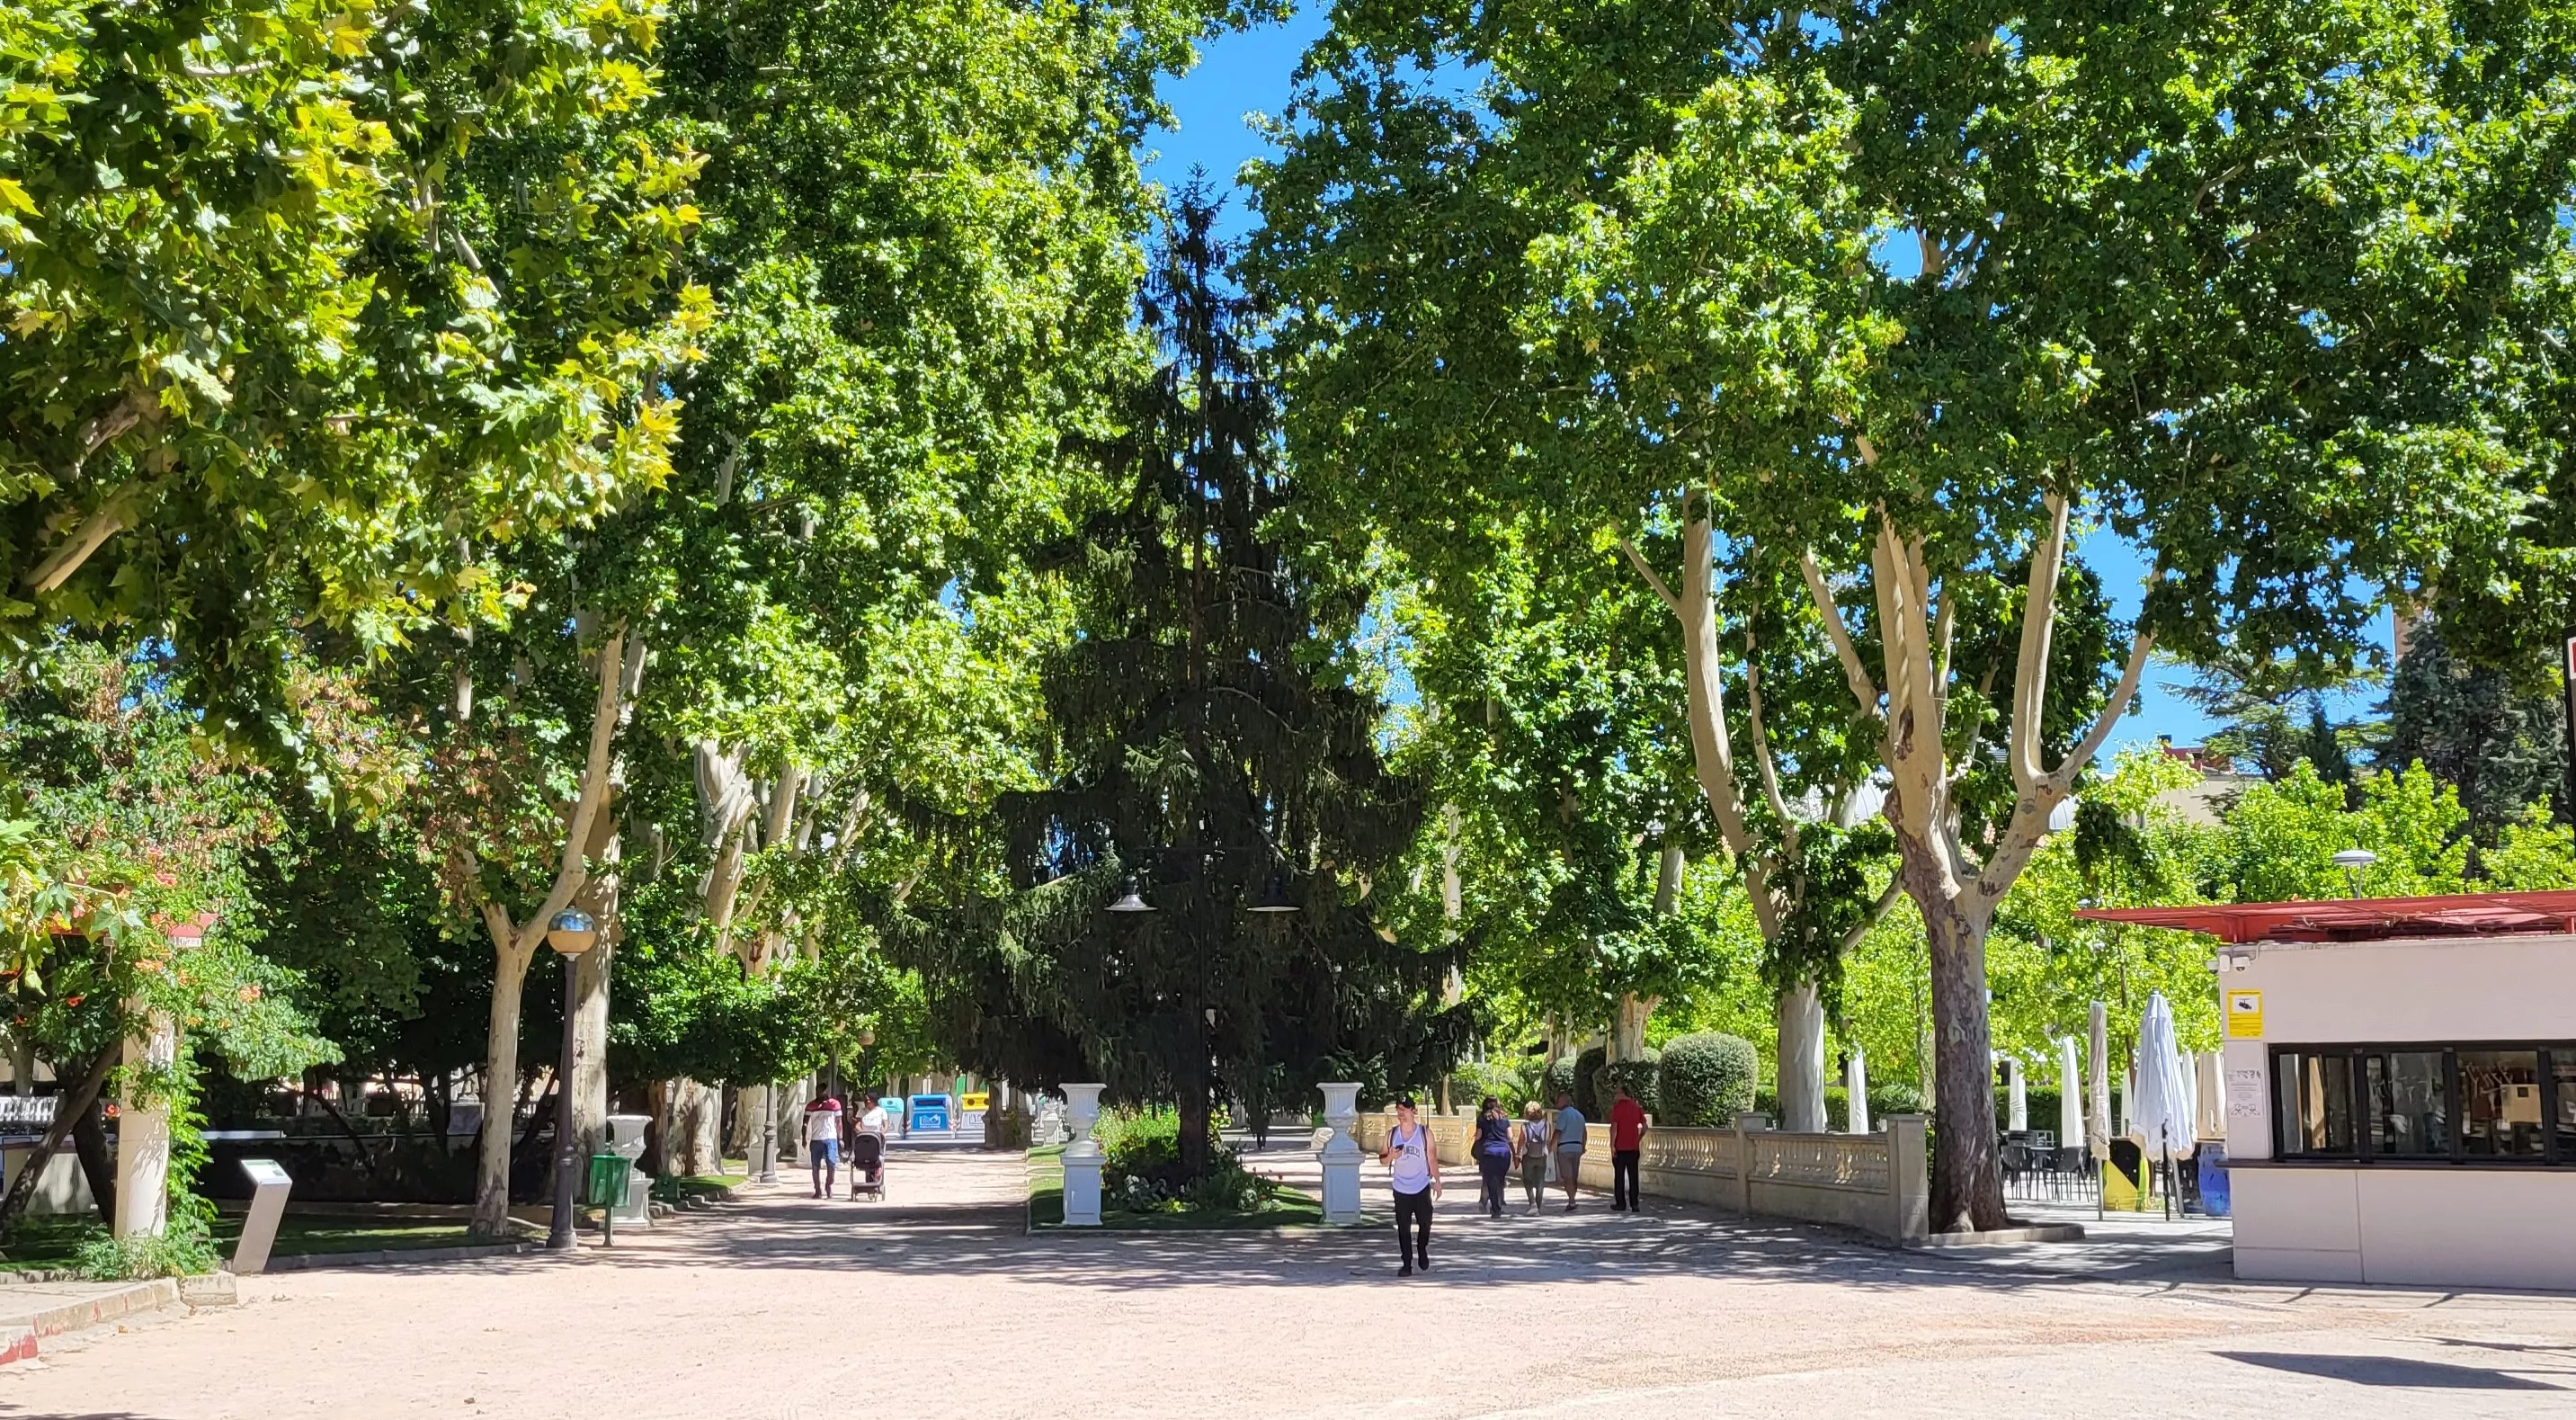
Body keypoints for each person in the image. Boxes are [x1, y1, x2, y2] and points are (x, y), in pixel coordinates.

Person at [1380, 1096, 1440, 1275]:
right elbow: (1383, 1159)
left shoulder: (1424, 1133)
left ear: (1413, 1111)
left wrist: (1437, 1181)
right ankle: (1406, 1263)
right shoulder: (1391, 1135)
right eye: (1399, 1110)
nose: (1401, 1114)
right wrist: (1391, 1156)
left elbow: (1432, 1158)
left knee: (1425, 1223)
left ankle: (1422, 1248)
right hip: (1401, 1188)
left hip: (1421, 1186)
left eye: (1405, 1110)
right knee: (1403, 1228)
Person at [1471, 1095, 1514, 1219]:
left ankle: (1495, 1209)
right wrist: (1515, 1153)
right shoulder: (1504, 1119)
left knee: (1490, 1181)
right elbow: (1510, 1137)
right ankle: (1498, 1206)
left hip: (1488, 1152)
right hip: (1504, 1153)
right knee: (1500, 1180)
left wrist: (1476, 1148)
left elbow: (1478, 1137)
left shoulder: (1482, 1119)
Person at [1609, 1083, 1648, 1212]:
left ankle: (1621, 1203)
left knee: (1619, 1177)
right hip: (1633, 1148)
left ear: (1622, 1093)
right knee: (1633, 1176)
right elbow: (1645, 1127)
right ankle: (1634, 1203)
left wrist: (1612, 1146)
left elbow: (1614, 1128)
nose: (1615, 1095)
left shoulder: (1617, 1108)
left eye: (1616, 1092)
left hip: (1620, 1147)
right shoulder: (1637, 1107)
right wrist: (1638, 1139)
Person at [803, 1093, 844, 1199]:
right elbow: (805, 1123)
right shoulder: (811, 1105)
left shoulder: (835, 1104)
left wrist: (840, 1138)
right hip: (816, 1139)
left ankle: (828, 1185)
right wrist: (804, 1138)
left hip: (830, 1138)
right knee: (815, 1166)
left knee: (831, 1163)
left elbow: (839, 1122)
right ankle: (817, 1189)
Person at [1552, 1090, 1586, 1212]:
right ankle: (1573, 1198)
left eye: (1557, 1101)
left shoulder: (1564, 1115)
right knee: (1574, 1175)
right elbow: (1584, 1133)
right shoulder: (1579, 1115)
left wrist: (1551, 1145)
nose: (1556, 1103)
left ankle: (1572, 1201)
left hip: (1565, 1148)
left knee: (1567, 1176)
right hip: (1577, 1147)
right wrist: (1583, 1146)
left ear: (1563, 1101)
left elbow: (1558, 1131)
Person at [1516, 1100, 1552, 1212]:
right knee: (1540, 1180)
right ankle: (1539, 1203)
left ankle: (1532, 1203)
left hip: (1528, 1155)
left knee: (1528, 1180)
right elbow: (1548, 1139)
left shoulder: (1525, 1126)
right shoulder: (1547, 1124)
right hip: (1542, 1154)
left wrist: (1517, 1155)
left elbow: (1521, 1141)